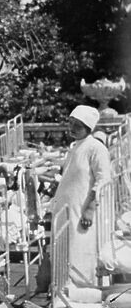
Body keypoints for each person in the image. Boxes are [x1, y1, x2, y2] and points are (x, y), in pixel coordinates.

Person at [40, 105, 111, 290]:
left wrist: (90, 209)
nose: (72, 128)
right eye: (70, 123)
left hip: (81, 209)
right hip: (65, 208)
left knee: (79, 250)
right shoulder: (75, 147)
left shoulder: (96, 148)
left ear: (88, 127)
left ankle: (80, 290)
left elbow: (104, 180)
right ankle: (62, 289)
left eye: (77, 125)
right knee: (63, 249)